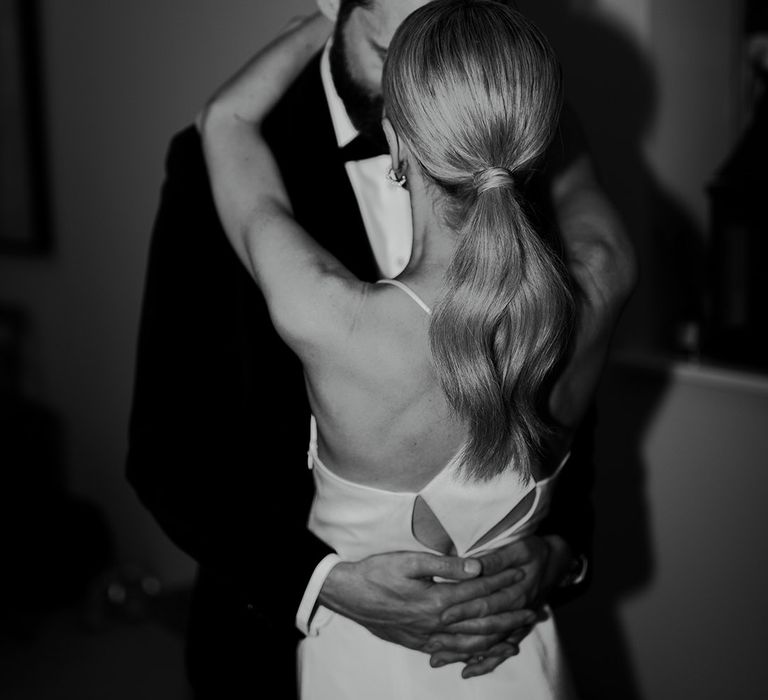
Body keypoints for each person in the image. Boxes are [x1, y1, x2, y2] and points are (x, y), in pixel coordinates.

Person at [126, 0, 635, 696]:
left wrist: (560, 555)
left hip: (353, 672)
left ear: (396, 138)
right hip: (511, 667)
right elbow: (167, 450)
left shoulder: (328, 315)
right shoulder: (601, 278)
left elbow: (227, 121)